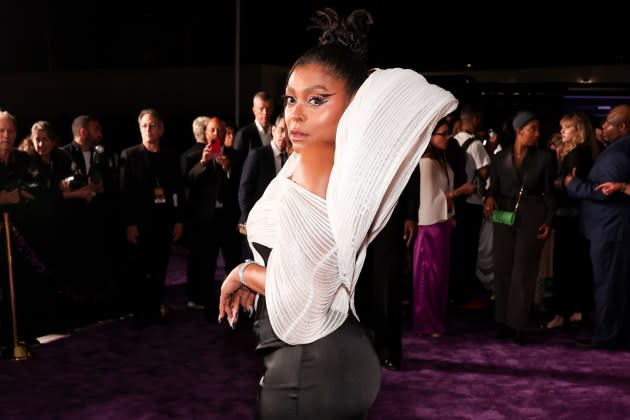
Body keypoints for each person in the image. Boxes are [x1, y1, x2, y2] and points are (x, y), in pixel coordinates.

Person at [217, 8, 457, 419]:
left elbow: (300, 295)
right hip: (336, 353)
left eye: (317, 99)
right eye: (291, 98)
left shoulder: (316, 176)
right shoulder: (328, 169)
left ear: (355, 107)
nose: (295, 112)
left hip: (308, 365)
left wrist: (241, 274)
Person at [484, 110, 556, 345]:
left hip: (532, 214)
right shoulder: (498, 158)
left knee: (523, 271)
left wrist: (548, 221)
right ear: (519, 130)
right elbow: (492, 188)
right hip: (504, 215)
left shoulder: (544, 158)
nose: (537, 133)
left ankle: (517, 324)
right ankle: (503, 322)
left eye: (537, 129)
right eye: (532, 128)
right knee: (503, 268)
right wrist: (489, 198)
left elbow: (550, 194)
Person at [564, 104, 630, 349]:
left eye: (608, 124)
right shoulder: (618, 149)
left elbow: (606, 192)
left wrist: (573, 185)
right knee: (614, 285)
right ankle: (615, 334)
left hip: (610, 229)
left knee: (608, 286)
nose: (603, 127)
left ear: (622, 127)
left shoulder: (619, 152)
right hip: (613, 228)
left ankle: (606, 337)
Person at [119, 109, 184, 329]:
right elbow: (125, 193)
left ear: (161, 129)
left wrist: (178, 220)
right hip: (140, 223)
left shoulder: (170, 155)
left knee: (160, 266)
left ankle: (156, 308)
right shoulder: (130, 155)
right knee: (139, 268)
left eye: (153, 125)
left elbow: (178, 190)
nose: (148, 130)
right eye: (144, 126)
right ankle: (140, 312)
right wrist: (129, 223)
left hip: (164, 221)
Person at [544, 112, 596, 330]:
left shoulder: (576, 154)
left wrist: (557, 183)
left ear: (579, 130)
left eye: (567, 127)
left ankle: (562, 312)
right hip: (575, 216)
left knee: (564, 265)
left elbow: (570, 187)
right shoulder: (583, 152)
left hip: (569, 216)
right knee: (576, 264)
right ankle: (575, 310)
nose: (562, 131)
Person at [233, 91, 275, 156]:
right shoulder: (243, 134)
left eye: (268, 108)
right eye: (261, 109)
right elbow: (238, 163)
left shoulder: (277, 131)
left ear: (272, 109)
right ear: (254, 110)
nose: (265, 113)